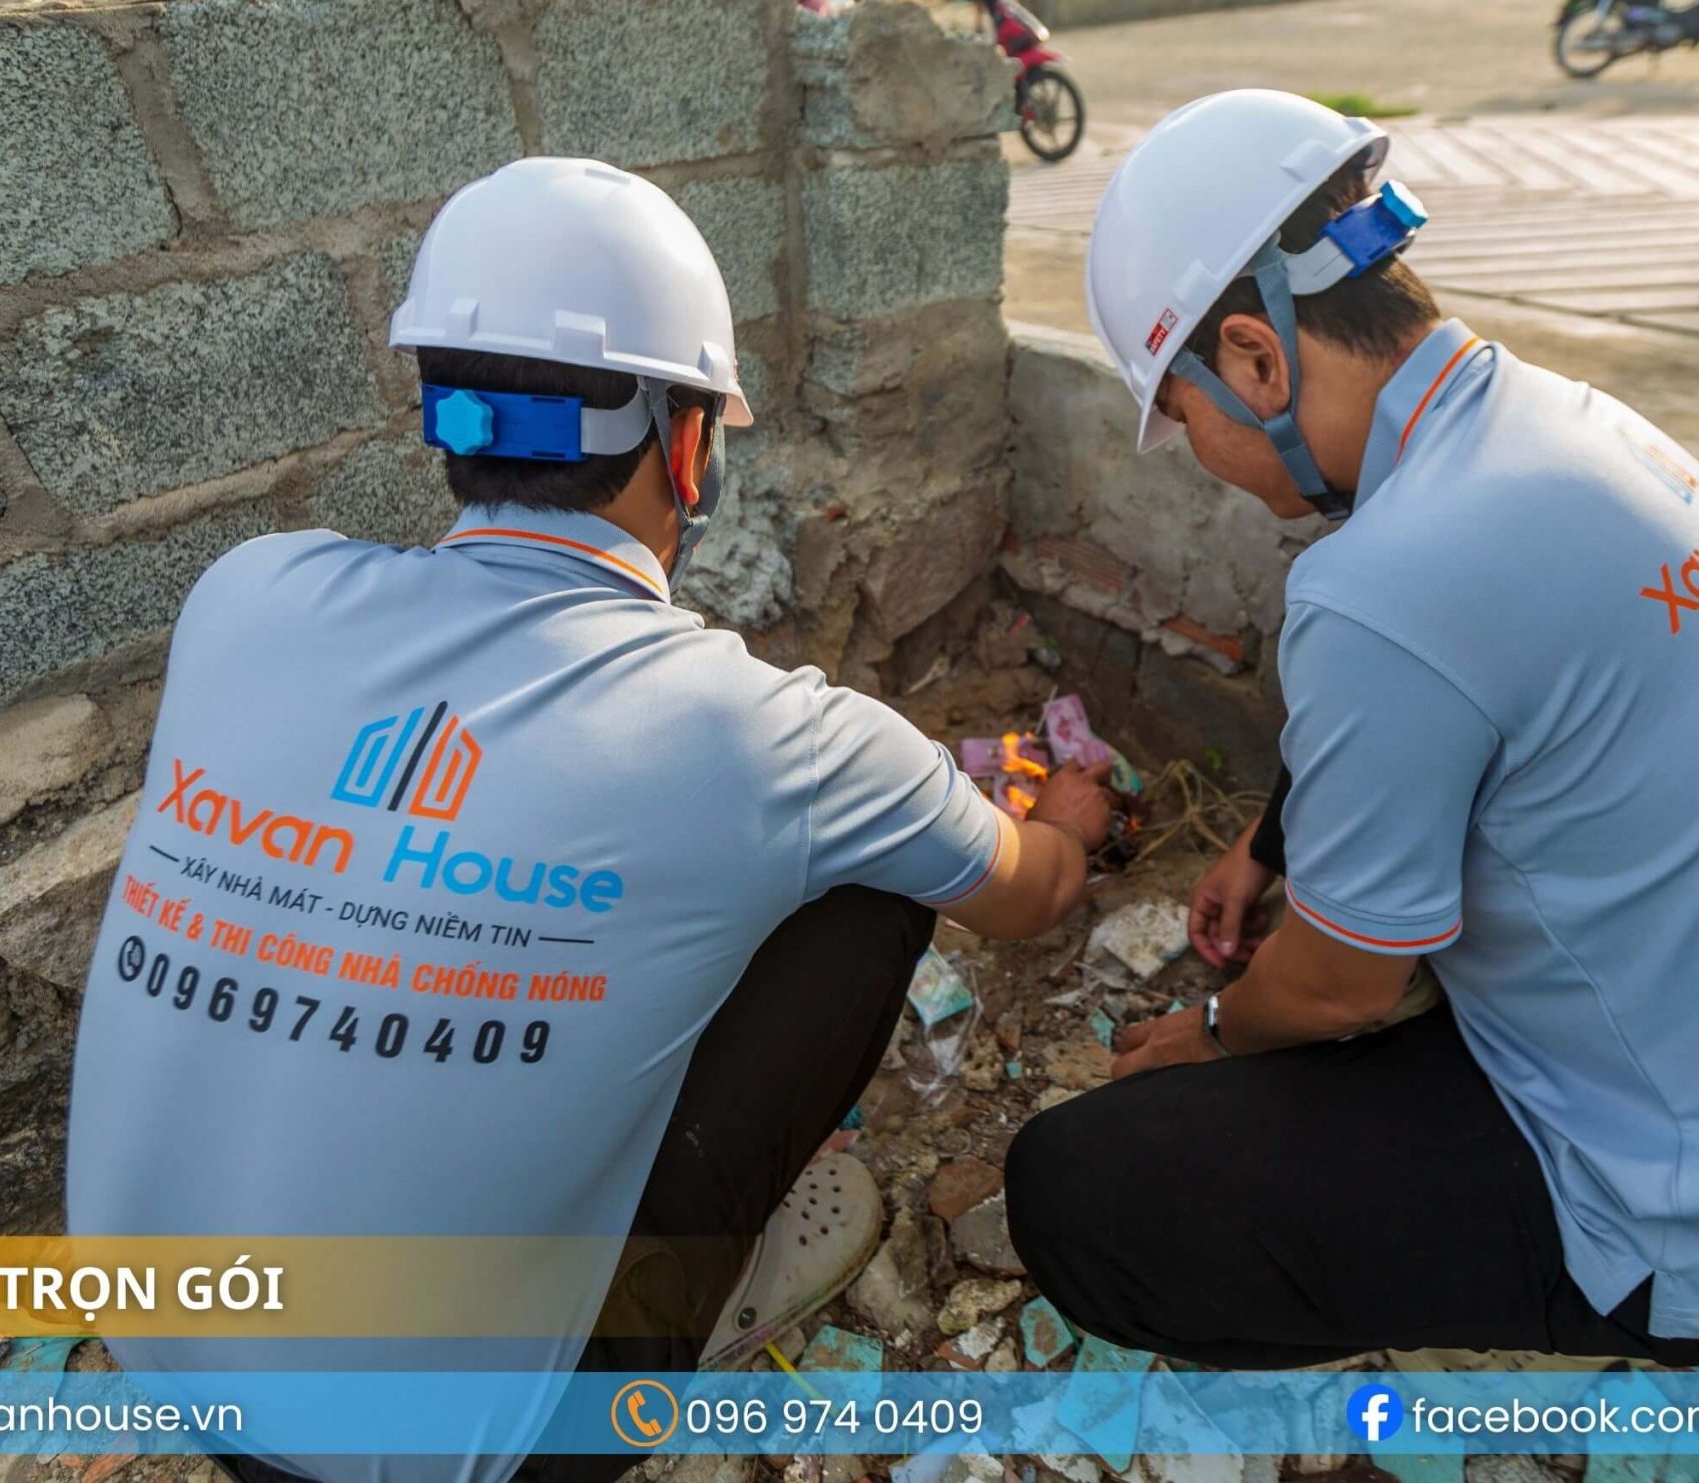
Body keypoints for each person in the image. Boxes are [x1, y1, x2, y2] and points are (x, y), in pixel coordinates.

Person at [64, 156, 1115, 1483]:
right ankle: (703, 1290)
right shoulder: (766, 734)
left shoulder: (246, 596)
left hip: (162, 1353)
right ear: (689, 445)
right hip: (473, 1452)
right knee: (872, 892)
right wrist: (1065, 815)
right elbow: (1031, 892)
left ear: (447, 418)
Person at [1006, 88, 1699, 1369]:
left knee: (1080, 1190)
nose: (1199, 459)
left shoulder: (1380, 588)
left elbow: (1340, 989)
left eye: (1183, 421)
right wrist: (1267, 843)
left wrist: (1211, 1033)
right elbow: (1474, 693)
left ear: (1254, 360)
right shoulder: (1564, 425)